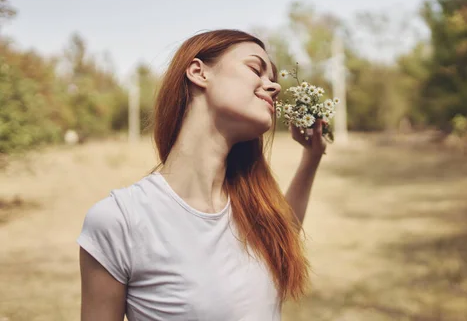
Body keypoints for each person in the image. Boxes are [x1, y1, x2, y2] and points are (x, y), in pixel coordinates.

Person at [77, 29, 328, 321]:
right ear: (199, 72)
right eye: (255, 69)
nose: (273, 87)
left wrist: (311, 158)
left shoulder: (253, 209)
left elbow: (283, 235)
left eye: (272, 80)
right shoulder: (120, 221)